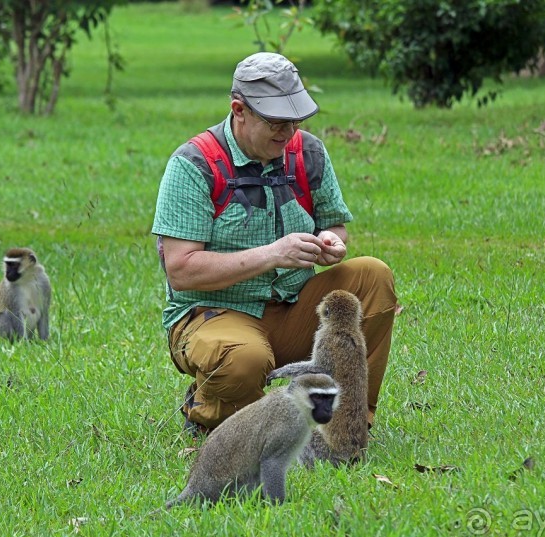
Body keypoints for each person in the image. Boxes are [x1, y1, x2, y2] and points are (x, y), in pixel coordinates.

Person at [151, 52, 396, 435]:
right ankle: (208, 413)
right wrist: (273, 254)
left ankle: (346, 423)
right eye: (276, 122)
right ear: (239, 110)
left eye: (295, 120)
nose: (288, 132)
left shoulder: (308, 153)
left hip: (295, 308)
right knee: (244, 362)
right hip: (217, 313)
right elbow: (181, 270)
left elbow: (334, 226)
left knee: (373, 276)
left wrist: (331, 242)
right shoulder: (194, 165)